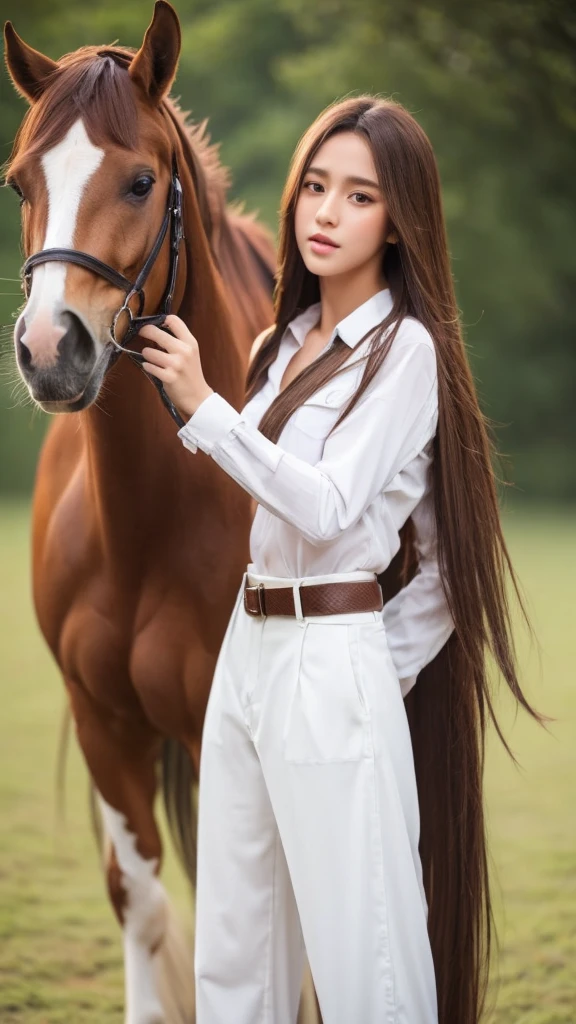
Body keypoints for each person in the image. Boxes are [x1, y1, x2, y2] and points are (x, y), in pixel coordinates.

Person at [138, 95, 544, 1024]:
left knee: (367, 963)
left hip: (328, 655)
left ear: (400, 220)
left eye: (359, 196)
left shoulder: (406, 352)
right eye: (316, 185)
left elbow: (326, 506)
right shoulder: (276, 346)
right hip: (250, 650)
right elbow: (436, 561)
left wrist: (358, 663)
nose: (325, 212)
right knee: (235, 952)